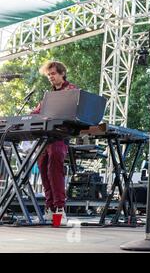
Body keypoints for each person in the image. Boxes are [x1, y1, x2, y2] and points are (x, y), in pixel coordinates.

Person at [32, 61, 77, 225]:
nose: (50, 77)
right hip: (46, 138)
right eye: (49, 75)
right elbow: (36, 112)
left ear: (62, 73)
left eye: (53, 74)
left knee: (54, 170)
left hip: (60, 137)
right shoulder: (48, 95)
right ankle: (50, 209)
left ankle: (60, 211)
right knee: (43, 168)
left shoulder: (71, 90)